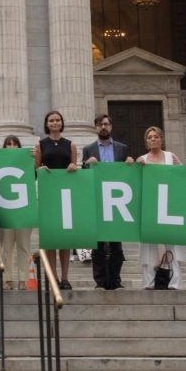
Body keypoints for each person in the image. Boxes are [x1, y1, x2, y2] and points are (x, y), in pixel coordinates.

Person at [82, 113, 132, 290]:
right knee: (99, 245)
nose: (103, 127)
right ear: (95, 128)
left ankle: (116, 280)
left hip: (117, 201)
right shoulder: (88, 149)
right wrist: (87, 163)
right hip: (98, 200)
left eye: (106, 124)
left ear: (111, 127)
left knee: (116, 245)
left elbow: (127, 173)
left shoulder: (122, 148)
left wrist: (130, 163)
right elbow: (83, 172)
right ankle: (100, 281)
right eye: (100, 125)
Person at [32, 110, 78, 288]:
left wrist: (74, 166)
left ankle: (65, 278)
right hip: (48, 194)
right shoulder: (40, 145)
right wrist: (40, 169)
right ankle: (54, 278)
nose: (55, 123)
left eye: (57, 120)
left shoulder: (70, 144)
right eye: (51, 120)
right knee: (51, 238)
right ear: (47, 124)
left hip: (65, 194)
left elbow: (74, 166)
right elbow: (37, 168)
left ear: (61, 123)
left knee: (65, 239)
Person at [135, 126, 182, 291]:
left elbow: (183, 175)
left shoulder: (171, 157)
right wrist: (134, 166)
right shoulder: (141, 159)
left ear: (161, 139)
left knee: (173, 243)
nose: (153, 139)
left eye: (156, 136)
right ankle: (149, 281)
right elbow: (134, 183)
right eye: (150, 137)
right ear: (146, 142)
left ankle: (174, 281)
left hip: (169, 205)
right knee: (148, 244)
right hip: (149, 205)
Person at [0, 135, 34, 291]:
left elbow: (35, 177)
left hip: (24, 210)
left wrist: (34, 158)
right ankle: (7, 279)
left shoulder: (27, 163)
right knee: (6, 246)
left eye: (14, 144)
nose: (11, 147)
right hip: (6, 210)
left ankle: (24, 279)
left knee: (24, 246)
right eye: (8, 144)